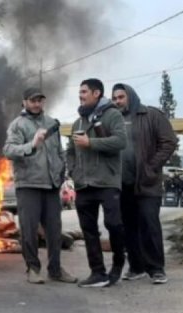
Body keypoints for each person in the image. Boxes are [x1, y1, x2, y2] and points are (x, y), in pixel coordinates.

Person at [3, 87, 77, 284]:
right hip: (28, 185)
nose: (37, 104)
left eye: (40, 100)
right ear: (25, 102)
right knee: (29, 230)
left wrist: (61, 173)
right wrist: (32, 145)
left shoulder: (52, 124)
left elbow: (59, 152)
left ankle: (55, 270)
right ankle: (33, 268)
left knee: (54, 230)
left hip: (51, 185)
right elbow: (8, 150)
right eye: (33, 100)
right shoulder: (17, 125)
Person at [111, 83, 178, 284]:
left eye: (121, 97)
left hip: (147, 183)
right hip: (122, 185)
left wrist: (151, 167)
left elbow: (169, 141)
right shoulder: (114, 119)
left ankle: (156, 269)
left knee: (149, 225)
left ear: (130, 96)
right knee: (128, 227)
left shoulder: (151, 115)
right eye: (114, 98)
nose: (117, 101)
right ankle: (136, 267)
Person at [67, 78, 127, 288]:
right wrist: (74, 171)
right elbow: (70, 151)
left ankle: (119, 263)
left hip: (107, 182)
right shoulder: (78, 122)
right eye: (80, 92)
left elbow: (121, 142)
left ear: (96, 93)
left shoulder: (113, 115)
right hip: (84, 184)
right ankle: (97, 273)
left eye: (84, 92)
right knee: (88, 230)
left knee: (114, 224)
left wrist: (90, 142)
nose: (80, 95)